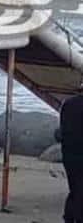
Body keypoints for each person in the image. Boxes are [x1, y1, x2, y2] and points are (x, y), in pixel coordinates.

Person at [61, 94, 83, 223]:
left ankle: (69, 217)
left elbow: (62, 130)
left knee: (75, 188)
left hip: (69, 154)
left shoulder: (68, 103)